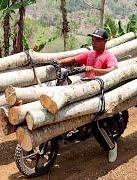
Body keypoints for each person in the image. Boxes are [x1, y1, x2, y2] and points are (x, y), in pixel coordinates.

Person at [58, 28, 119, 163]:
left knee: (94, 123)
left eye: (97, 40)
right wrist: (59, 62)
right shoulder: (90, 54)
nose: (94, 42)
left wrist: (94, 70)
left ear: (104, 41)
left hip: (101, 91)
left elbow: (113, 71)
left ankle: (112, 146)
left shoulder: (108, 56)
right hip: (86, 88)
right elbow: (74, 59)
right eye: (93, 39)